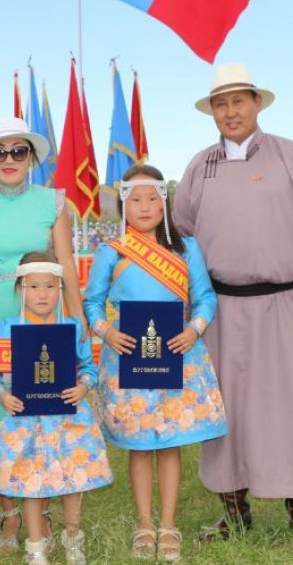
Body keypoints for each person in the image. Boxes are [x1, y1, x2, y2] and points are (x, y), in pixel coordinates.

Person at [174, 63, 293, 550]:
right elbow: (181, 236)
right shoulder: (199, 166)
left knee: (291, 409)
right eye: (220, 104)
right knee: (224, 411)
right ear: (212, 112)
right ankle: (234, 512)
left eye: (238, 101)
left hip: (285, 305)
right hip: (219, 310)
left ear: (257, 104)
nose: (230, 112)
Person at [84, 165, 228, 561]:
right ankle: (144, 523)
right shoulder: (110, 252)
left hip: (179, 354)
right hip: (128, 355)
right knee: (139, 443)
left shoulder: (188, 249)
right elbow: (92, 302)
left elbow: (206, 299)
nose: (145, 207)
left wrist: (195, 329)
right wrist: (107, 333)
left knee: (170, 444)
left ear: (164, 203)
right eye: (136, 199)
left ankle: (168, 525)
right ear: (122, 205)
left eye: (152, 199)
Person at [0, 117, 87, 553]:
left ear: (32, 156)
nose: (9, 159)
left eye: (18, 151)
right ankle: (10, 518)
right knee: (3, 422)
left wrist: (80, 318)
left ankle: (44, 512)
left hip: (46, 317)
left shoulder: (54, 202)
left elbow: (67, 263)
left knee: (44, 416)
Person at [0, 252, 113, 565]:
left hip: (69, 418)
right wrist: (1, 395)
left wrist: (83, 387)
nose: (42, 294)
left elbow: (89, 368)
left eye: (50, 287)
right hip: (25, 419)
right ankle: (36, 545)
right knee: (31, 480)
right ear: (20, 290)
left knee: (72, 478)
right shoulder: (6, 328)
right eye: (34, 287)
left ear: (61, 289)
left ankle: (72, 537)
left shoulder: (73, 328)